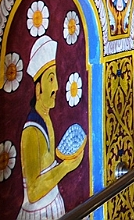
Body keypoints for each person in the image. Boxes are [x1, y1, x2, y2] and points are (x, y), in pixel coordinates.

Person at [18, 35, 85, 219]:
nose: (56, 86)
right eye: (50, 79)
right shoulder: (31, 131)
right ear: (38, 89)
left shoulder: (47, 119)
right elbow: (32, 192)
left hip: (54, 204)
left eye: (55, 78)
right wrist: (66, 166)